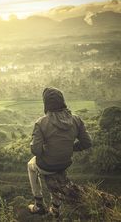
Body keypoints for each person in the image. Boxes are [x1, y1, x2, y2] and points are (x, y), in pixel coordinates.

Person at [28, 87, 92, 217]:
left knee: (30, 166)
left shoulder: (41, 123)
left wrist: (47, 150)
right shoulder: (76, 120)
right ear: (62, 101)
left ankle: (39, 203)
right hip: (65, 164)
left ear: (46, 103)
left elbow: (35, 150)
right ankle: (55, 208)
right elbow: (87, 142)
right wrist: (71, 147)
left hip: (46, 165)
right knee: (58, 176)